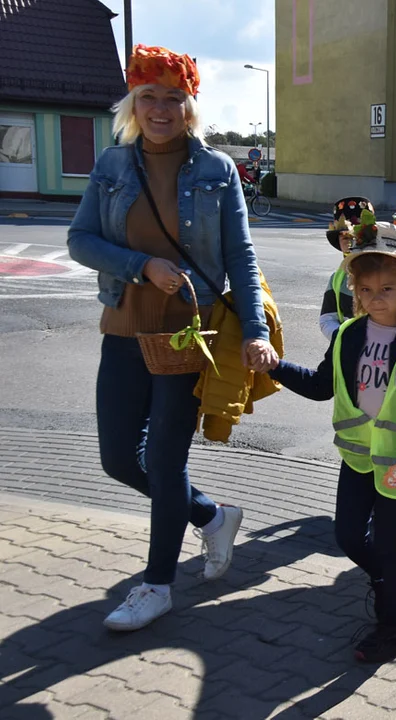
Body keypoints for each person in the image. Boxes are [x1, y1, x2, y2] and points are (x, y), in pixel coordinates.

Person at [67, 45, 278, 631]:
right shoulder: (112, 165)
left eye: (173, 98)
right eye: (149, 97)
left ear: (190, 106)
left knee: (164, 459)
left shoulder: (217, 171)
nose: (161, 108)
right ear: (133, 103)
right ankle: (211, 516)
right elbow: (80, 241)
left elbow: (240, 255)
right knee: (117, 459)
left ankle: (157, 585)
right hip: (125, 326)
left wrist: (255, 332)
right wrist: (141, 265)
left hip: (193, 332)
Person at [263, 219, 396, 663]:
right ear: (354, 290)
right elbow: (320, 385)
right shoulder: (349, 335)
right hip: (356, 459)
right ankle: (389, 583)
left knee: (390, 545)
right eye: (365, 290)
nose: (374, 299)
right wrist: (274, 365)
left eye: (386, 288)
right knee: (348, 537)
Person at [320, 197, 373, 339]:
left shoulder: (384, 272)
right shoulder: (337, 279)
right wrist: (344, 339)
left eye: (355, 236)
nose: (351, 243)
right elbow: (327, 318)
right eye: (345, 238)